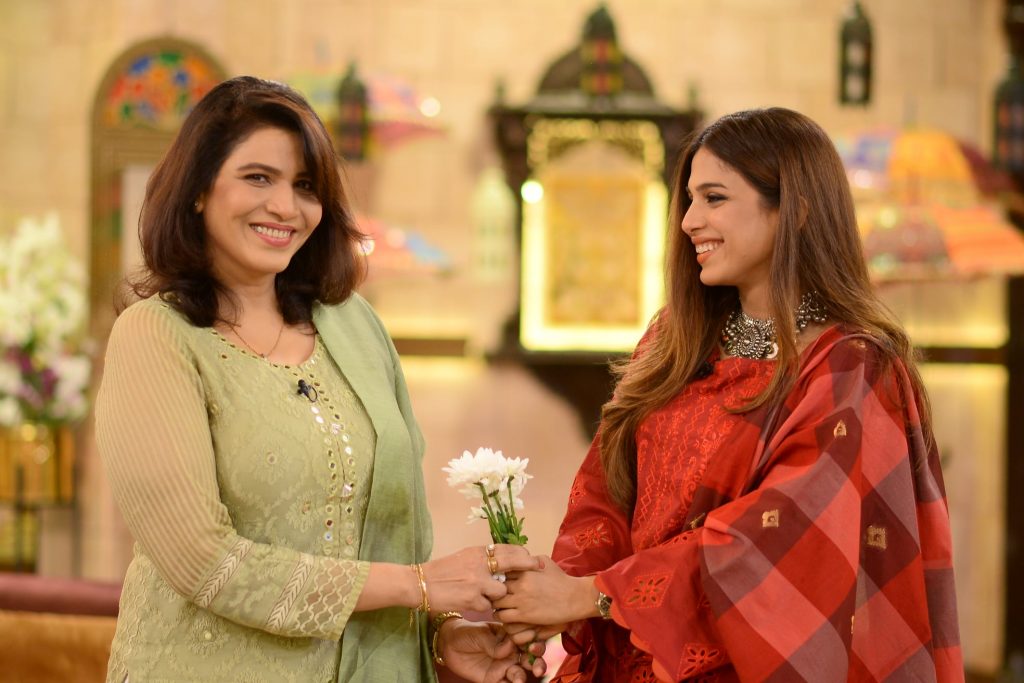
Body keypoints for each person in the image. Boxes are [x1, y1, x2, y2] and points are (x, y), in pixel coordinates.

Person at [94, 76, 545, 683]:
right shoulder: (156, 337)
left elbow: (384, 540)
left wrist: (439, 638)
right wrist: (418, 586)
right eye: (258, 177)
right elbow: (204, 562)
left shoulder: (354, 327)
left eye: (305, 186)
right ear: (199, 190)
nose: (286, 207)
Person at [492, 108, 963, 682]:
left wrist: (594, 595)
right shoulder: (675, 338)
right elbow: (606, 488)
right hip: (629, 654)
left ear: (796, 207)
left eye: (714, 198)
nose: (689, 221)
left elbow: (777, 538)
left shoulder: (849, 366)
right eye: (689, 199)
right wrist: (555, 591)